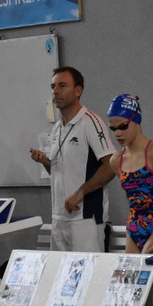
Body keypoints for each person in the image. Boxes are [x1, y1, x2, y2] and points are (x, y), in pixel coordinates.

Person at [29, 66, 116, 252]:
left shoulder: (90, 122)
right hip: (59, 216)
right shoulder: (57, 128)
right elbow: (58, 170)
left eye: (62, 86)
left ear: (78, 91)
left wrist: (80, 193)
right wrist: (45, 162)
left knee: (87, 270)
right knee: (59, 270)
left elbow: (111, 165)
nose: (55, 92)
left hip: (85, 218)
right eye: (53, 86)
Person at [106, 94, 153, 254]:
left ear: (136, 120)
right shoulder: (116, 160)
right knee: (131, 271)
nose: (117, 133)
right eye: (113, 129)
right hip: (133, 227)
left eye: (123, 126)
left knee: (148, 267)